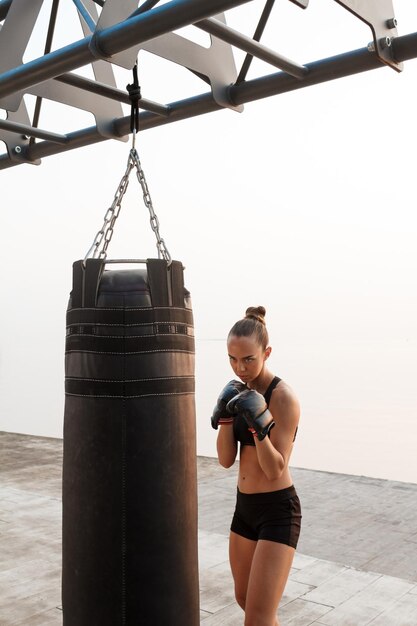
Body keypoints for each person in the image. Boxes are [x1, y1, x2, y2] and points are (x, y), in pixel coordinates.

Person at [211, 306, 301, 626]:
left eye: (248, 359)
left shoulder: (283, 397)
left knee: (258, 619)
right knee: (245, 600)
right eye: (233, 359)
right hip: (244, 508)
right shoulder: (239, 392)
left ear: (267, 353)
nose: (240, 368)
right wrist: (225, 415)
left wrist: (258, 426)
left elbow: (275, 468)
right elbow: (225, 460)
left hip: (277, 510)